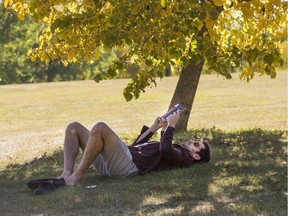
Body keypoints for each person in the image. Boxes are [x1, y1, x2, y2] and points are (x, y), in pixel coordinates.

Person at [58, 111, 210, 185]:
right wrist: (154, 128)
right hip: (119, 159)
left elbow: (165, 149)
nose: (191, 141)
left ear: (196, 156)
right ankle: (66, 173)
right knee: (74, 127)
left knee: (100, 128)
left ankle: (78, 176)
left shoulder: (186, 157)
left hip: (127, 166)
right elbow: (137, 146)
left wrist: (171, 125)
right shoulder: (176, 150)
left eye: (196, 145)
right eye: (194, 140)